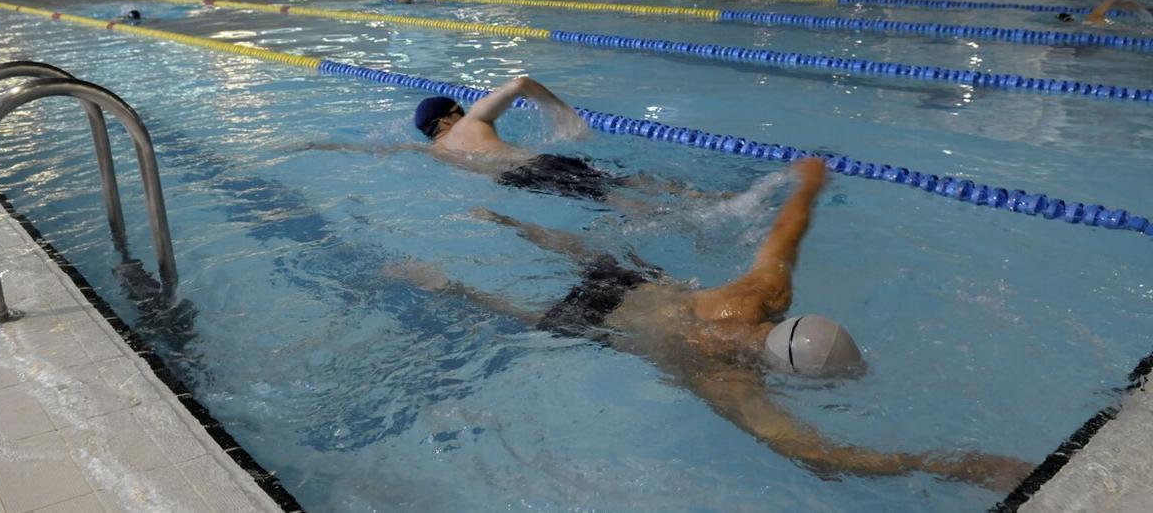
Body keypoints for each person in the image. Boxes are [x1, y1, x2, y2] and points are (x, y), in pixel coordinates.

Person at [390, 158, 1033, 490]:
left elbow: (787, 227)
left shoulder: (757, 295)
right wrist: (952, 465)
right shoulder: (723, 379)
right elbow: (816, 454)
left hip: (633, 282)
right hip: (601, 321)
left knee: (583, 254)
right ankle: (451, 283)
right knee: (515, 311)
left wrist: (806, 182)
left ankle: (505, 223)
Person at [413, 76, 635, 202]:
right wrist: (562, 113)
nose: (463, 111)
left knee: (599, 198)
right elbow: (520, 84)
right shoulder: (469, 121)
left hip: (514, 182)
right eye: (458, 109)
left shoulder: (436, 151)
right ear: (444, 120)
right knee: (619, 186)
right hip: (538, 166)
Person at [1058, 0, 1153, 25]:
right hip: (1108, 24)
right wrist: (1120, 2)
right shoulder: (1091, 18)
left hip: (1107, 24)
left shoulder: (1090, 19)